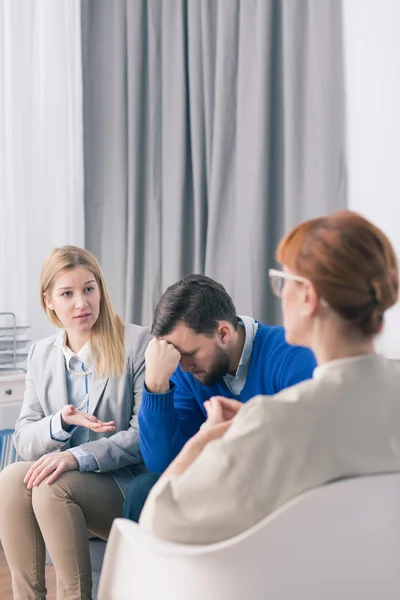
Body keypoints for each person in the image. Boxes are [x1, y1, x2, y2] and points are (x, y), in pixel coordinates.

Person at [139, 209, 400, 544]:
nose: (280, 295)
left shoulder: (277, 419)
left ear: (308, 297)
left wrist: (209, 438)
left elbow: (161, 519)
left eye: (282, 280)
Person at [0, 246, 151, 600]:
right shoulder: (41, 353)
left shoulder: (136, 343)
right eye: (67, 293)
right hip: (62, 484)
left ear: (100, 290)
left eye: (89, 289)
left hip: (120, 485)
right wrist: (60, 423)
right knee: (9, 479)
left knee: (53, 486)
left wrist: (76, 456)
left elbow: (142, 435)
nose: (81, 303)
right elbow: (23, 438)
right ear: (48, 301)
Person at [123, 274, 317, 521]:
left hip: (275, 492)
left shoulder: (291, 354)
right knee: (144, 489)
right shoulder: (187, 372)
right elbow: (163, 465)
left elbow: (304, 452)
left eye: (190, 353)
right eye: (175, 356)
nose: (183, 367)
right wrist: (155, 384)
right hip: (218, 485)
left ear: (224, 333)